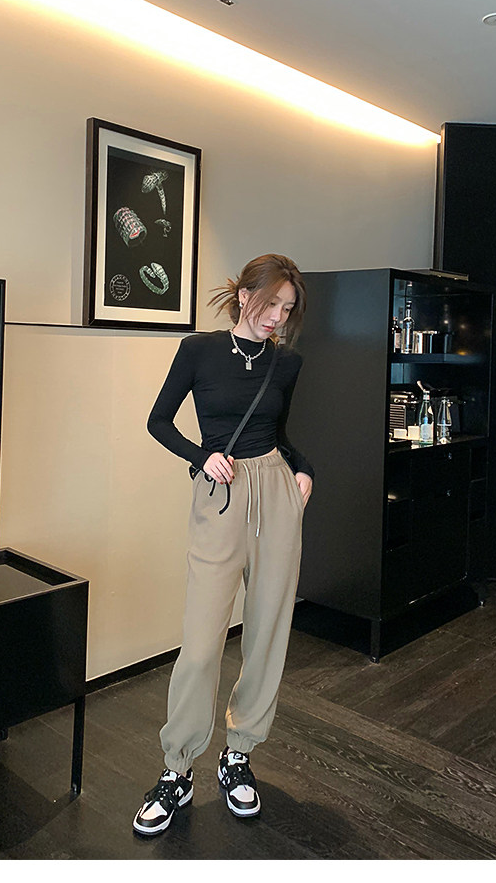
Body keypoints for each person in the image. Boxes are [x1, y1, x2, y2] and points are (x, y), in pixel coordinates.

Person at [132, 253, 314, 836]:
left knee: (267, 631)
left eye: (287, 308)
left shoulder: (287, 362)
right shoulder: (199, 351)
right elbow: (159, 421)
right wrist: (201, 456)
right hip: (221, 490)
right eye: (271, 304)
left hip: (277, 492)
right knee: (201, 642)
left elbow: (280, 433)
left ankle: (239, 754)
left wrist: (303, 470)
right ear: (243, 296)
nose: (278, 317)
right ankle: (178, 767)